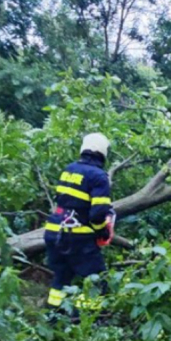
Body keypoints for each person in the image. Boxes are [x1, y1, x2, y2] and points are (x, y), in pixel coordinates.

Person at [44, 133, 114, 316]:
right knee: (96, 280)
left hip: (54, 231)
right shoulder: (99, 177)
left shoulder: (69, 170)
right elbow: (98, 212)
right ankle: (88, 320)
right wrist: (102, 231)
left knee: (61, 277)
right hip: (76, 236)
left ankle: (54, 317)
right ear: (103, 152)